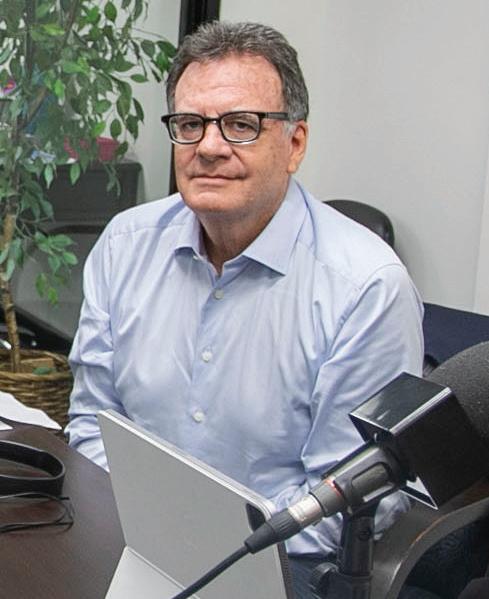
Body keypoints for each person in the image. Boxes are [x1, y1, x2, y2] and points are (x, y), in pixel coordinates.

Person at [66, 20, 424, 597]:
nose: (209, 147)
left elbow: (349, 502)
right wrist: (140, 525)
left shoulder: (366, 288)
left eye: (241, 124)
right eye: (190, 124)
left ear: (295, 144)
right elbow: (91, 421)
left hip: (275, 563)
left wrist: (202, 544)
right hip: (128, 537)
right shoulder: (124, 245)